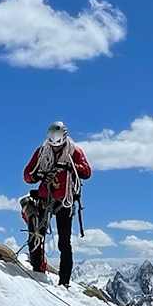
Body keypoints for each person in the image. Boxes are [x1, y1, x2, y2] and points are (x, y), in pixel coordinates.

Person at [21, 121, 92, 285]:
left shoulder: (74, 152)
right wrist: (37, 175)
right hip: (45, 198)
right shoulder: (42, 151)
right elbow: (27, 175)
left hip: (64, 201)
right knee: (36, 233)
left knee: (64, 242)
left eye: (58, 146)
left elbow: (87, 172)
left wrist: (70, 165)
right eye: (53, 145)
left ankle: (64, 281)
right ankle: (37, 269)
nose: (55, 149)